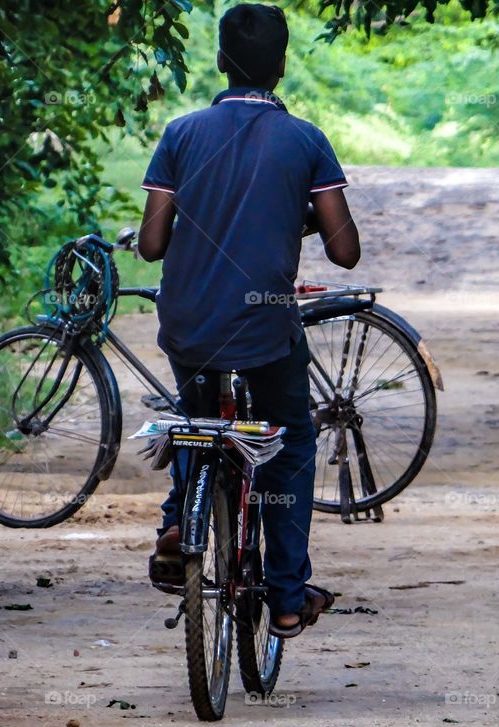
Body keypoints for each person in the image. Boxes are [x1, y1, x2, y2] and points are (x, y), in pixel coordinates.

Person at [136, 2, 360, 638]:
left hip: (189, 324)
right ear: (281, 66)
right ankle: (287, 598)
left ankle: (178, 523)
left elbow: (151, 245)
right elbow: (346, 251)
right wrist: (299, 217)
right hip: (264, 328)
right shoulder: (305, 140)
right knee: (289, 441)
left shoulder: (181, 134)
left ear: (219, 62)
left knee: (197, 421)